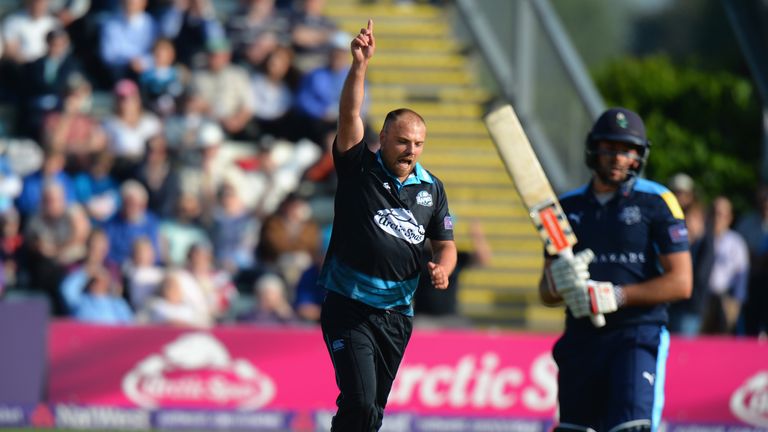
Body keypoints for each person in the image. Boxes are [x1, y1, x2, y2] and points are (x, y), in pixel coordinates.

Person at [317, 21, 456, 431]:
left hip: (397, 316)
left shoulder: (432, 188)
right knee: (360, 402)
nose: (410, 150)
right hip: (350, 305)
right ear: (384, 137)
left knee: (370, 413)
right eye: (402, 142)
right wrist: (359, 65)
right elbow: (348, 114)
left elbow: (444, 244)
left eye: (417, 144)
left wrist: (443, 268)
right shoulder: (359, 166)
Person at [538, 107, 692, 432]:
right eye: (611, 149)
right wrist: (558, 283)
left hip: (636, 335)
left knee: (630, 429)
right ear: (595, 149)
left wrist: (618, 295)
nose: (619, 159)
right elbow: (546, 292)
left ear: (639, 155)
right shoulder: (565, 208)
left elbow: (682, 282)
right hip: (581, 339)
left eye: (628, 150)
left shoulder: (658, 200)